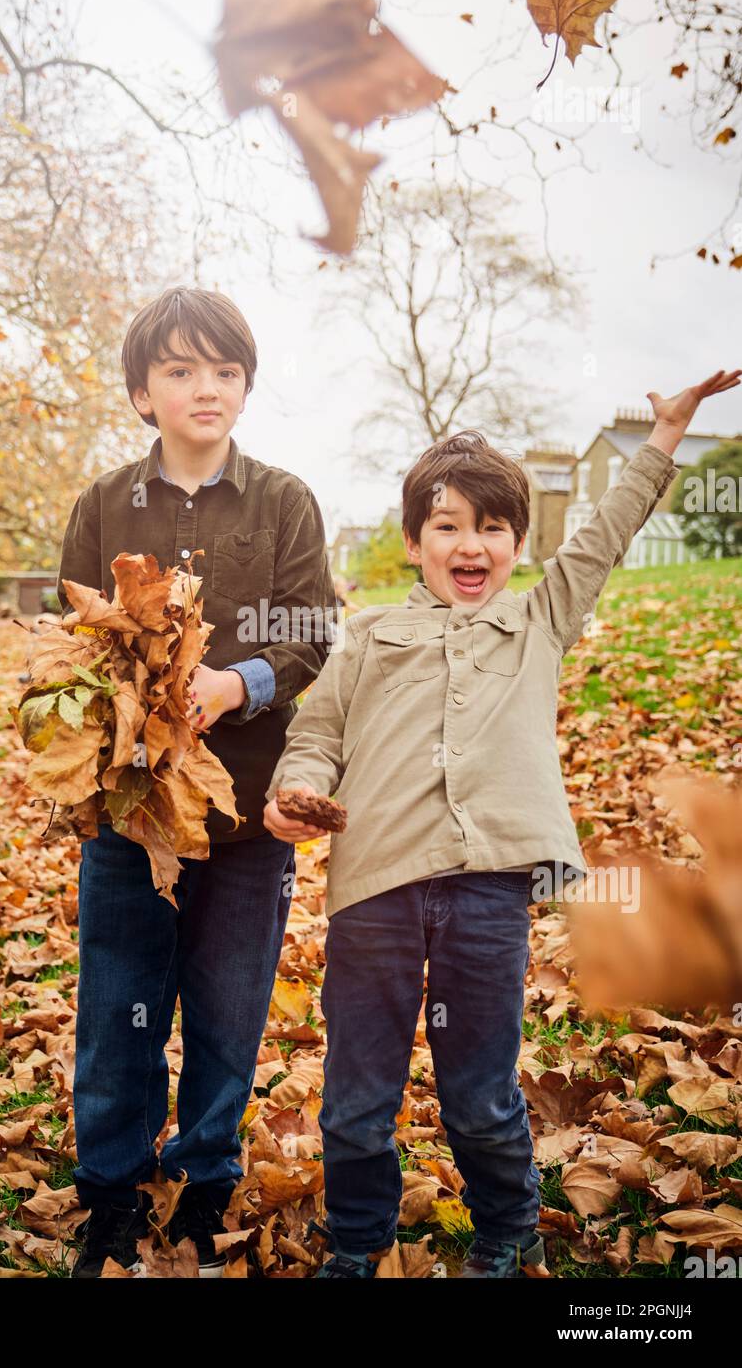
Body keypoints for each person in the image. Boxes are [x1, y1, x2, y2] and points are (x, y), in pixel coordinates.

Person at [263, 369, 740, 1279]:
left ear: (518, 543)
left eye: (490, 527)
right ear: (413, 542)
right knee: (359, 1095)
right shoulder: (367, 636)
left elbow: (602, 537)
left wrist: (665, 435)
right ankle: (358, 1245)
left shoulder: (539, 619)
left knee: (479, 1090)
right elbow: (316, 735)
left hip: (488, 893)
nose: (469, 543)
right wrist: (293, 793)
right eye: (446, 525)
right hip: (375, 890)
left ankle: (507, 1232)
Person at [58, 285, 337, 1277]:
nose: (204, 387)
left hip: (247, 813)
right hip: (131, 810)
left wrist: (233, 681)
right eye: (179, 370)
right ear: (142, 393)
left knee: (228, 1005)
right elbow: (79, 637)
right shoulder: (100, 506)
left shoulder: (283, 501)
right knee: (118, 1004)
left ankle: (207, 1179)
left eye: (224, 370)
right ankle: (112, 1192)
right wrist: (116, 699)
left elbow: (315, 630)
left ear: (247, 385)